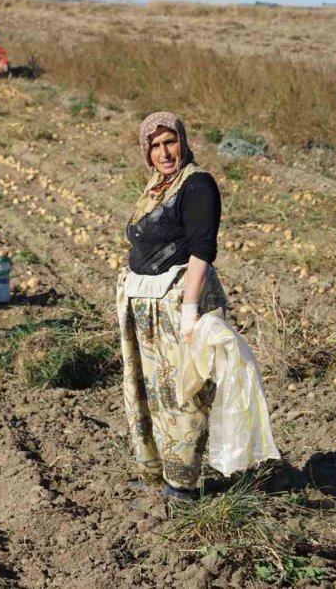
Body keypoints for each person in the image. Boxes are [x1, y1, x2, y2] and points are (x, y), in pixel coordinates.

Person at [116, 111, 227, 500]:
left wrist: (190, 312)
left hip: (178, 302)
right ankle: (156, 472)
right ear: (146, 151)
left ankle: (182, 484)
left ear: (183, 141)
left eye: (170, 142)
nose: (164, 153)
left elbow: (202, 251)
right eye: (155, 145)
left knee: (182, 393)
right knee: (147, 390)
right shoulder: (158, 185)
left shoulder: (197, 185)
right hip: (146, 304)